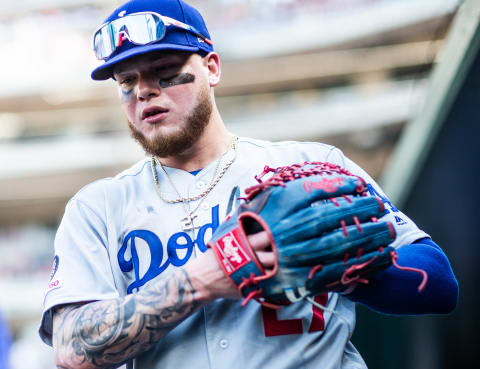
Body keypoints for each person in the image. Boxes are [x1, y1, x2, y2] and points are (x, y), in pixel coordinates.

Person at [39, 0, 458, 368]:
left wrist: (336, 268)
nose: (144, 92)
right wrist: (206, 277)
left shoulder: (311, 165)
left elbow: (438, 282)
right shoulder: (97, 207)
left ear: (211, 67)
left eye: (165, 72)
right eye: (127, 82)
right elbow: (73, 351)